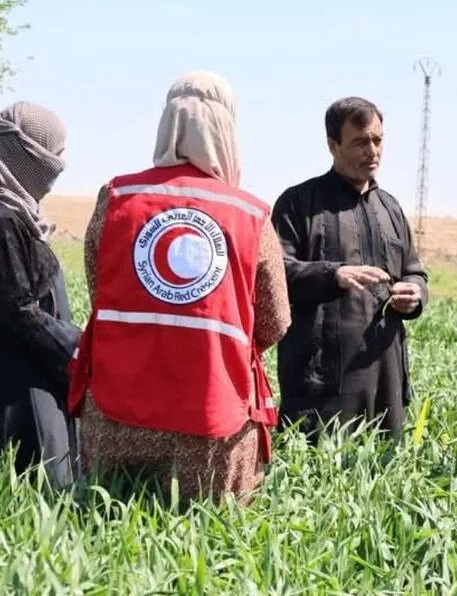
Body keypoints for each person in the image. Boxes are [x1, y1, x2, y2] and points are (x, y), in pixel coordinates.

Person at [67, 71, 291, 506]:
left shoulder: (116, 197)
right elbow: (275, 321)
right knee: (208, 550)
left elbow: (103, 293)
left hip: (116, 419)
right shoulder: (250, 215)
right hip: (212, 429)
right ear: (228, 129)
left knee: (104, 536)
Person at [272, 96, 429, 441]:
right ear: (333, 145)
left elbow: (415, 271)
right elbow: (276, 273)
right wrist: (333, 275)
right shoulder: (298, 203)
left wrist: (414, 295)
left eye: (378, 140)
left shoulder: (390, 208)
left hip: (385, 375)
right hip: (321, 380)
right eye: (360, 142)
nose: (372, 151)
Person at [0, 102, 80, 488]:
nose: (57, 168)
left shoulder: (14, 217)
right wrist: (80, 350)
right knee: (39, 497)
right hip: (23, 395)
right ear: (25, 157)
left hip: (42, 379)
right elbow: (19, 311)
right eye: (51, 155)